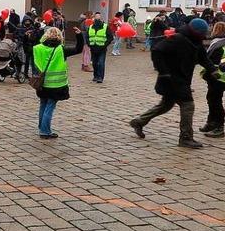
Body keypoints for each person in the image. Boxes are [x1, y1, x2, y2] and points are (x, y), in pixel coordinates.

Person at [129, 19, 218, 149]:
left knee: (166, 105)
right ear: (195, 32)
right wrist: (163, 72)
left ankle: (138, 122)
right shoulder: (177, 39)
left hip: (181, 78)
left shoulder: (195, 41)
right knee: (188, 105)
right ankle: (186, 138)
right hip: (172, 79)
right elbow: (157, 50)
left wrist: (213, 70)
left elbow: (203, 58)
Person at [33, 27, 84, 139]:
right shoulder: (61, 50)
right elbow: (78, 49)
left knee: (43, 104)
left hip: (42, 83)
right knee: (50, 106)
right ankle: (45, 131)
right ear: (60, 37)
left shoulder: (38, 48)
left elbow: (28, 49)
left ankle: (42, 127)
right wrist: (79, 35)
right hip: (56, 84)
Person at [200, 22, 225, 138]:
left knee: (215, 101)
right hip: (213, 76)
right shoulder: (216, 42)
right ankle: (211, 122)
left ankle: (219, 125)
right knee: (211, 99)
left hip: (220, 77)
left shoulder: (221, 44)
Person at [86, 12, 114, 83]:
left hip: (102, 48)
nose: (97, 19)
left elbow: (110, 37)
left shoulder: (105, 27)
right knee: (94, 63)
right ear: (94, 19)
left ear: (101, 19)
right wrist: (89, 44)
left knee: (101, 63)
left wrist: (105, 44)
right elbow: (87, 37)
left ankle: (100, 77)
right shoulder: (90, 27)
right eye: (96, 18)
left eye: (99, 18)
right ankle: (95, 76)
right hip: (93, 48)